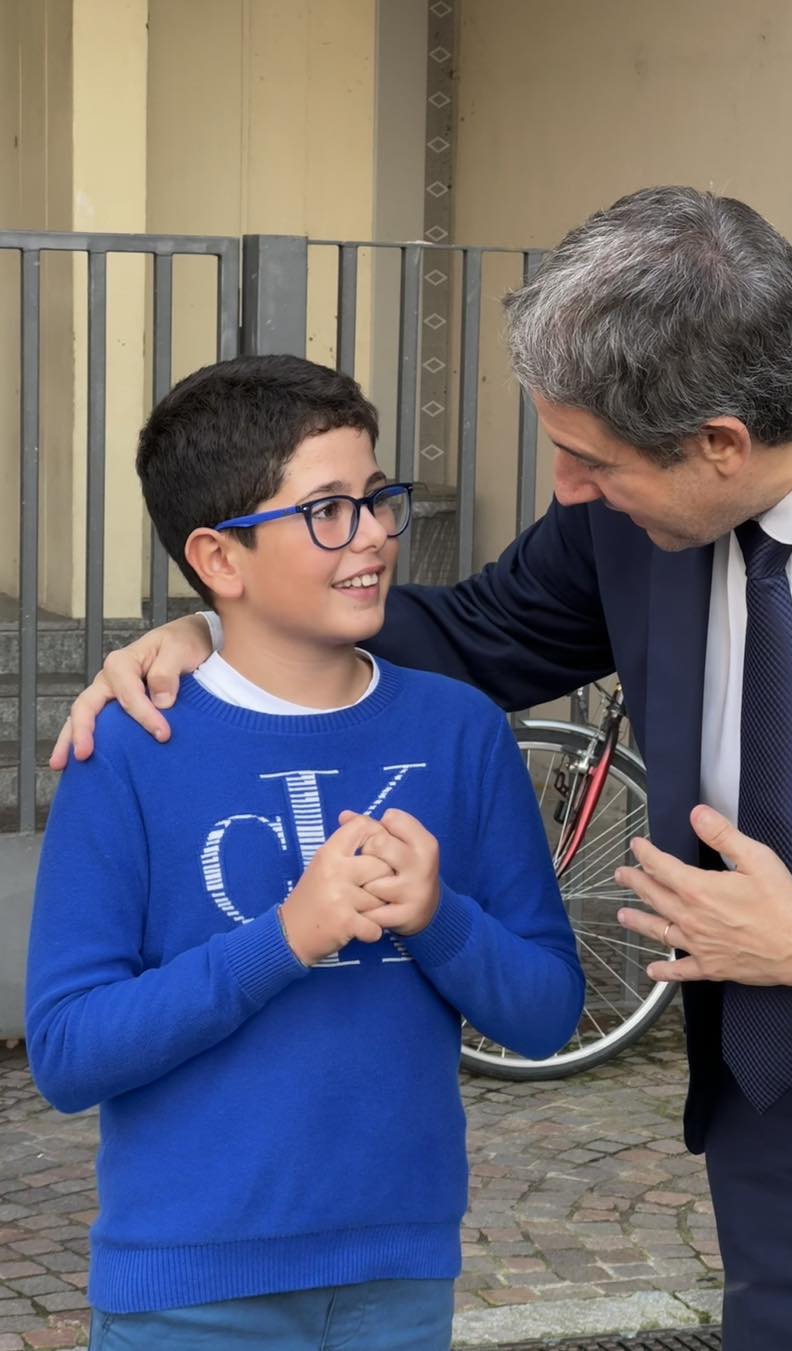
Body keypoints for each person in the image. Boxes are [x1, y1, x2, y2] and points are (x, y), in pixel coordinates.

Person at [51, 187, 792, 1349]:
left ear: (722, 445)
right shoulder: (643, 477)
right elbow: (476, 633)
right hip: (783, 1075)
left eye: (589, 463)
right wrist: (218, 627)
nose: (566, 493)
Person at [26, 354, 584, 1351]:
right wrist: (286, 936)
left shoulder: (460, 731)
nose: (372, 535)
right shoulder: (127, 746)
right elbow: (68, 1052)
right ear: (221, 559)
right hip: (185, 1295)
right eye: (327, 510)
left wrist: (440, 916)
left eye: (375, 499)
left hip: (398, 1279)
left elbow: (545, 1014)